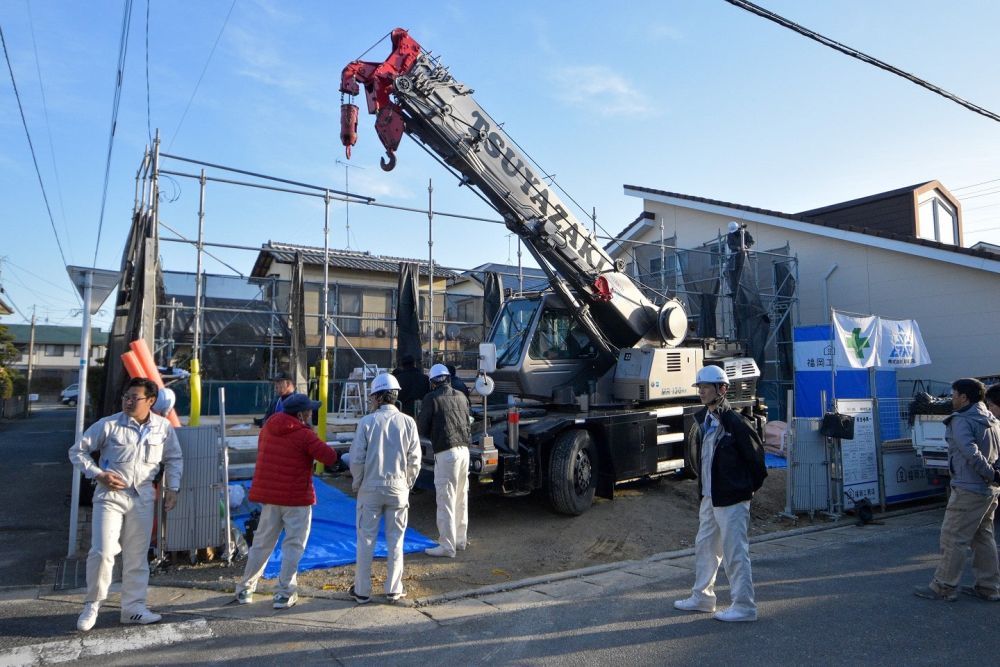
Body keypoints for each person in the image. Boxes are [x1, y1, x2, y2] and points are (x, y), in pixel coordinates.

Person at [68, 377, 183, 632]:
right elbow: (77, 451)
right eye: (126, 397)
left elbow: (174, 458)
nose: (129, 402)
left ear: (151, 401)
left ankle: (133, 608)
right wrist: (98, 474)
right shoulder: (108, 425)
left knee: (137, 555)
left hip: (143, 495)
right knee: (103, 551)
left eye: (135, 397)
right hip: (110, 495)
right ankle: (93, 604)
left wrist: (172, 488)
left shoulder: (163, 428)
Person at [674, 365, 767, 622]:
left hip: (731, 498)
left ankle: (745, 607)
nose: (701, 391)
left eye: (706, 386)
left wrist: (742, 489)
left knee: (735, 552)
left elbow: (757, 463)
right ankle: (702, 597)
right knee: (705, 547)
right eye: (700, 387)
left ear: (722, 389)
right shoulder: (705, 420)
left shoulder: (735, 422)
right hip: (710, 497)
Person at [235, 393, 338, 610]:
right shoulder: (304, 434)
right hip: (296, 498)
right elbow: (329, 456)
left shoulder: (268, 427)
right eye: (309, 411)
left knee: (261, 543)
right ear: (301, 415)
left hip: (270, 497)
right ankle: (284, 592)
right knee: (293, 545)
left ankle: (245, 588)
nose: (311, 414)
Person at [915, 377, 1000, 602]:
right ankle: (989, 587)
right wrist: (995, 475)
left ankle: (944, 586)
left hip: (968, 488)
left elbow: (970, 453)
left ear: (964, 397)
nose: (951, 399)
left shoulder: (961, 420)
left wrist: (990, 473)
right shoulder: (992, 419)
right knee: (983, 537)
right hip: (989, 490)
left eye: (953, 395)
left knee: (953, 537)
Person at [348, 373, 422, 604]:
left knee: (366, 539)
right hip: (398, 488)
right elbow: (415, 459)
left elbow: (357, 458)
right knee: (396, 540)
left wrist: (357, 483)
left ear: (378, 397)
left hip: (370, 488)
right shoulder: (408, 422)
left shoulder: (367, 422)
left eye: (372, 396)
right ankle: (393, 589)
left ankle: (362, 590)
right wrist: (407, 483)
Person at [418, 363, 471, 558]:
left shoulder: (432, 398)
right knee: (461, 497)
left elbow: (421, 428)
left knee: (446, 499)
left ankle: (447, 546)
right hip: (464, 450)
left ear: (432, 382)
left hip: (446, 453)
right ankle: (460, 540)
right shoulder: (462, 397)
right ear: (448, 378)